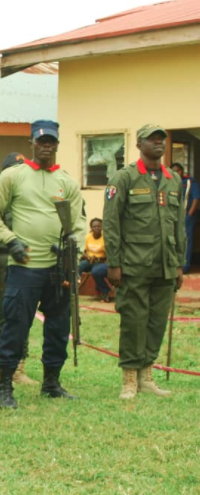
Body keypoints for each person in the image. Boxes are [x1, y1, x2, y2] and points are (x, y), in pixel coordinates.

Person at [0, 120, 85, 409]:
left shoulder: (67, 181)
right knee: (15, 326)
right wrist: (10, 240)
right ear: (32, 143)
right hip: (25, 267)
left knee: (58, 327)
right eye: (41, 141)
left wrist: (71, 255)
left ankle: (51, 382)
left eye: (51, 142)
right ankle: (5, 386)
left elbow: (78, 223)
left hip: (59, 268)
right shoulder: (13, 176)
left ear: (57, 144)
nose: (46, 146)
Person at [104, 124, 185, 400]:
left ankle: (146, 375)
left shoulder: (173, 179)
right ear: (139, 145)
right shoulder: (124, 178)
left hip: (165, 263)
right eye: (152, 139)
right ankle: (129, 378)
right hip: (134, 263)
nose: (159, 144)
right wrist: (113, 262)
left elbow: (179, 226)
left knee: (156, 321)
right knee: (134, 320)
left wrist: (179, 264)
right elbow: (112, 223)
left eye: (162, 139)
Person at [0, 153, 36, 386]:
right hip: (3, 265)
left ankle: (18, 369)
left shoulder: (30, 195)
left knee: (22, 317)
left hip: (27, 263)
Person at [173, 162, 199, 273]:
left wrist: (190, 215)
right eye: (174, 171)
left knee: (186, 240)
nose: (176, 173)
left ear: (182, 171)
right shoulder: (169, 182)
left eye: (178, 170)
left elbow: (196, 198)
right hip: (173, 216)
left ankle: (185, 266)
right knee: (173, 240)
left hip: (187, 215)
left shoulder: (189, 182)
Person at [78, 218, 111, 302]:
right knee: (78, 266)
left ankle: (105, 292)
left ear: (102, 227)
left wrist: (97, 258)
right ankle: (72, 290)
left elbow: (108, 255)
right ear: (91, 228)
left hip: (101, 261)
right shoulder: (87, 237)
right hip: (89, 260)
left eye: (99, 226)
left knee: (96, 272)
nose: (96, 228)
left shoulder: (105, 238)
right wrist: (88, 257)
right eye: (94, 226)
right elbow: (83, 251)